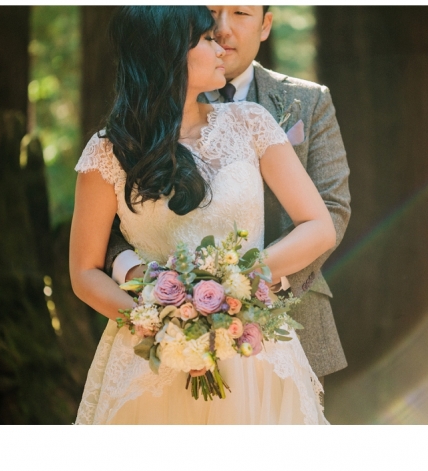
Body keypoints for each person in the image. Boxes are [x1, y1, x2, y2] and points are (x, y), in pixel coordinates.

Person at [70, 6, 335, 424]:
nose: (221, 47)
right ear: (171, 53)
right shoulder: (107, 152)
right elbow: (84, 271)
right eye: (207, 39)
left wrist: (238, 285)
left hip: (252, 348)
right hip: (154, 361)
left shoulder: (251, 123)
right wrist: (156, 322)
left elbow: (319, 228)